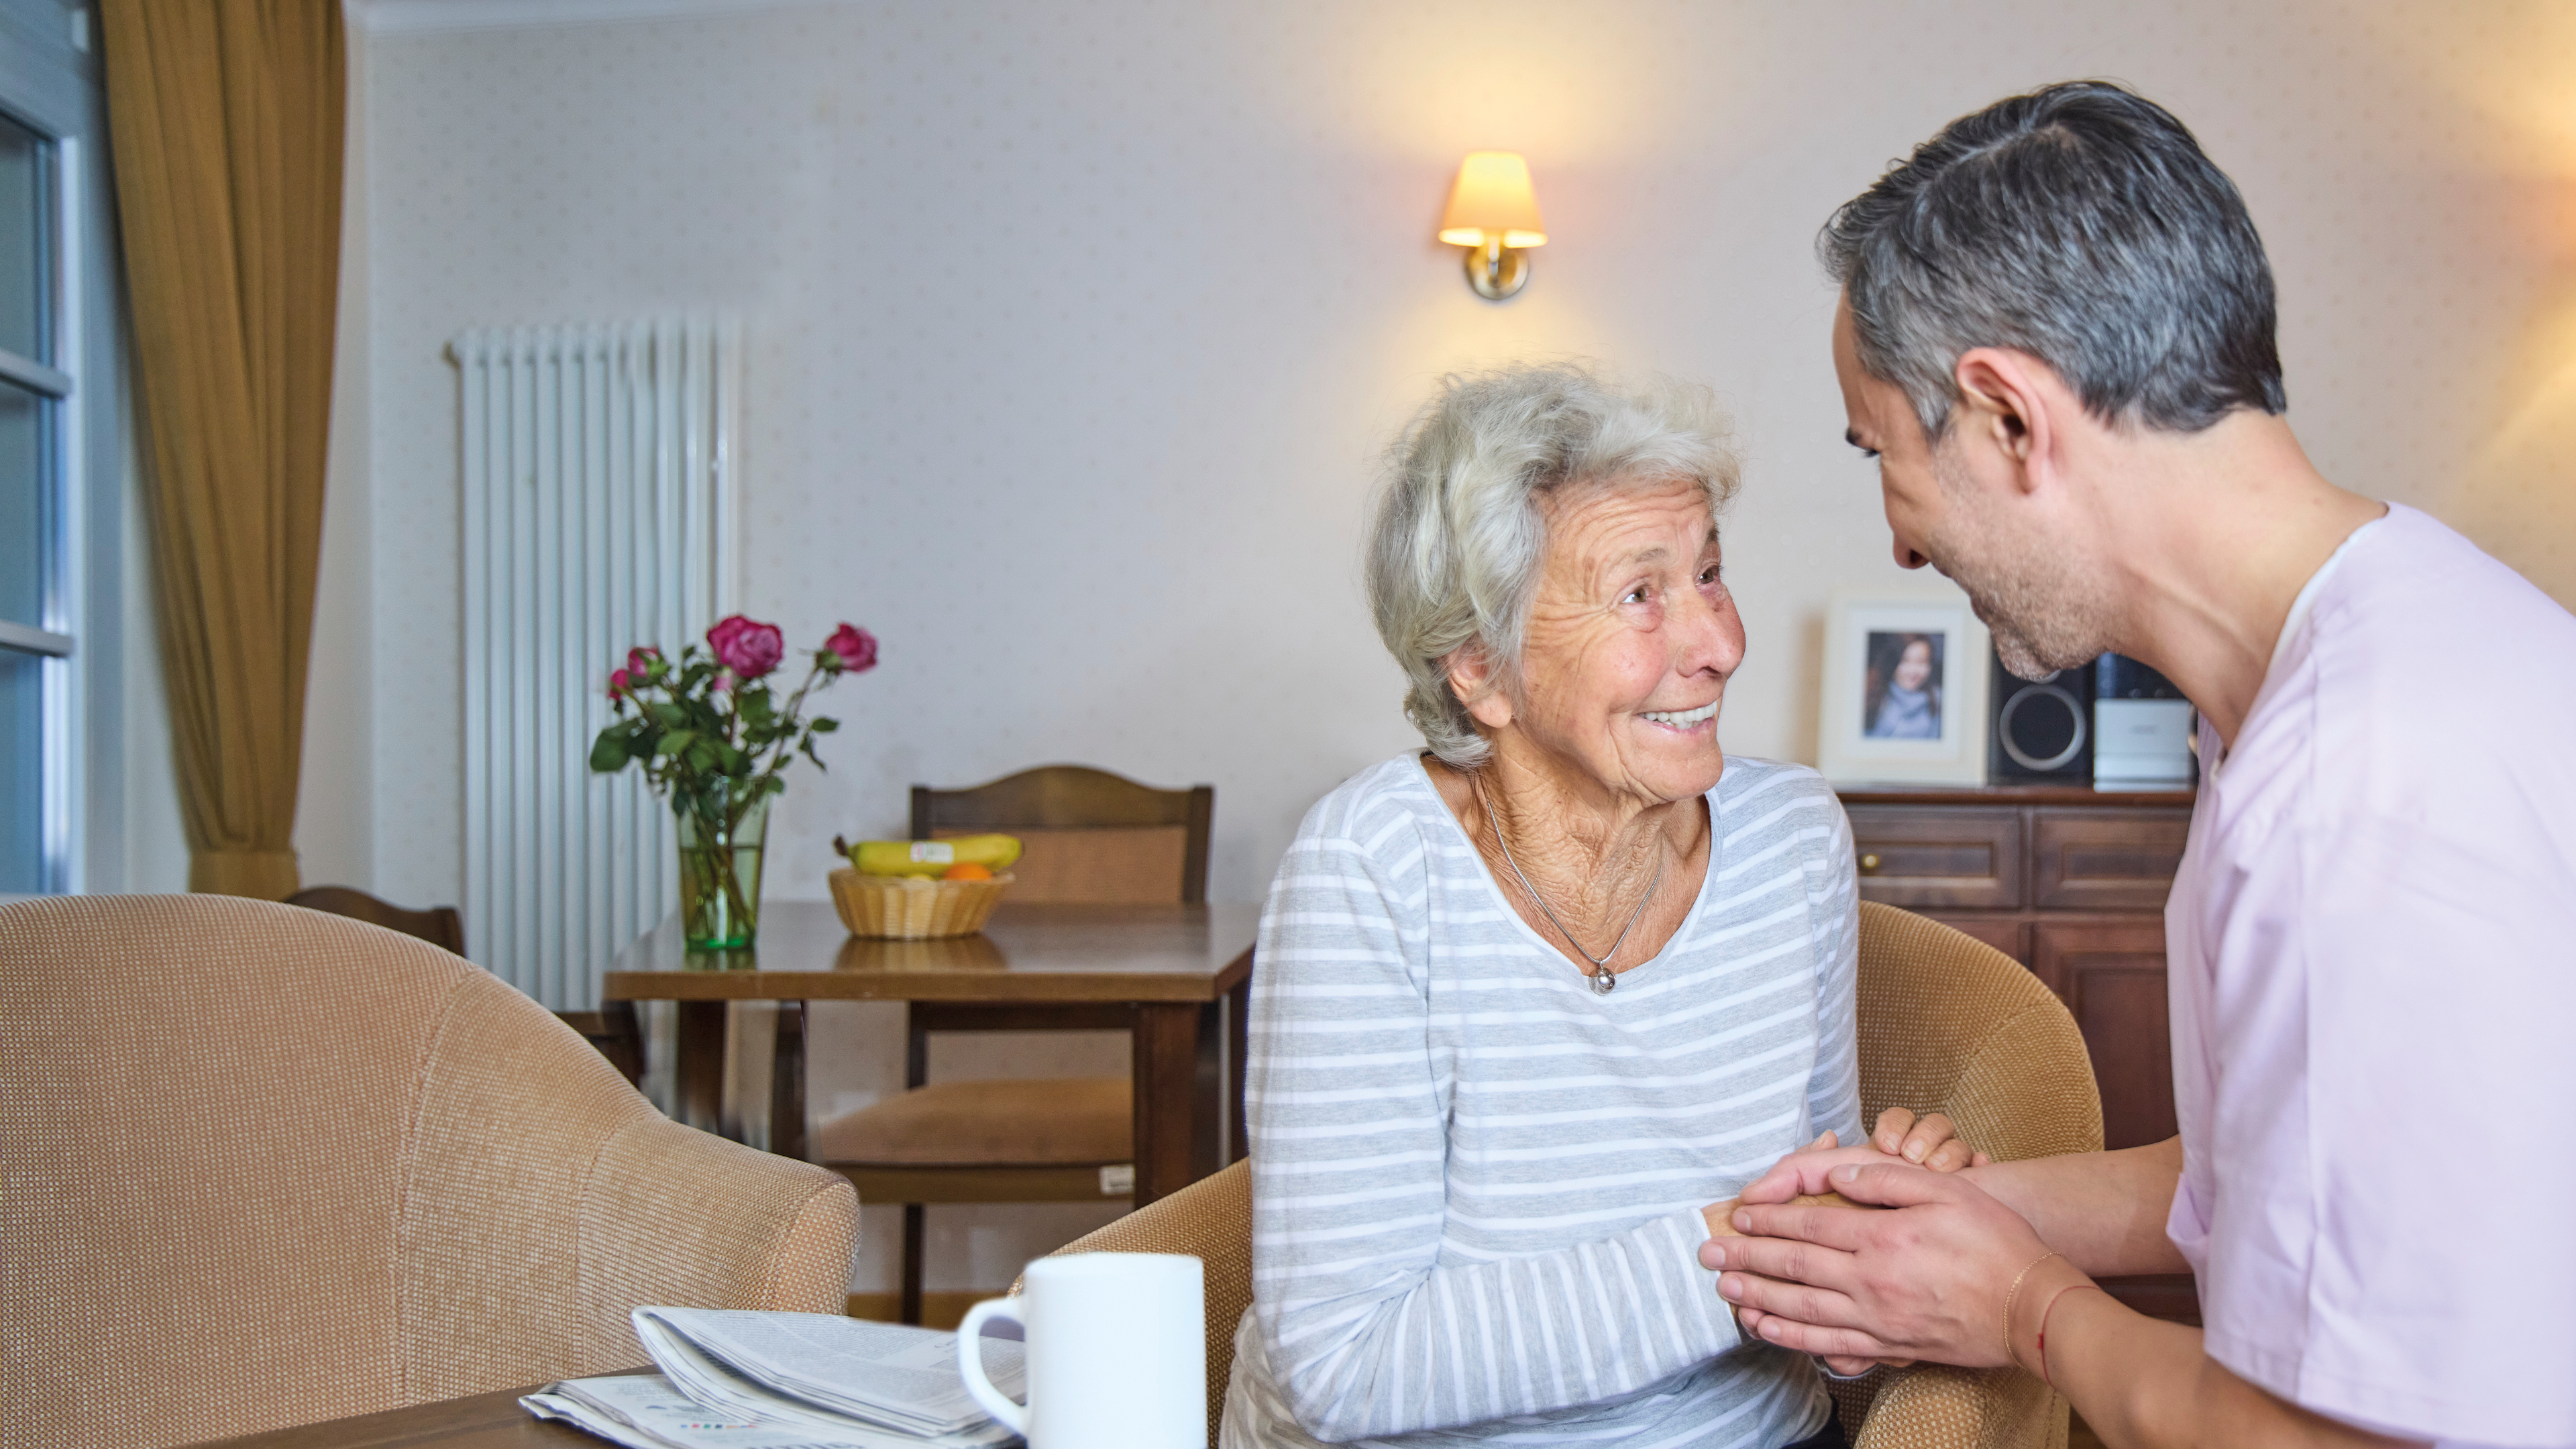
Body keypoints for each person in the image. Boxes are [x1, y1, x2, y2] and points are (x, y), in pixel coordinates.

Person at [1697, 81, 2576, 1448]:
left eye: (1884, 455)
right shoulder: (2391, 631)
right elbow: (2289, 1183)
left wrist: (2021, 1308)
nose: (1901, 548)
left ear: (2005, 418)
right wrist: (1957, 1216)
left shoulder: (2360, 795)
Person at [1222, 363, 1982, 1449]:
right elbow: (1347, 1367)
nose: (1719, 643)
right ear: (1481, 670)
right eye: (1641, 595)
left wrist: (1873, 1257)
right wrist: (1757, 1252)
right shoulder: (1373, 873)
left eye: (1710, 575)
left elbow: (1818, 1234)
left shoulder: (1791, 841)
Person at [1863, 635, 1940, 739]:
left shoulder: (1939, 701)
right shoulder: (1871, 697)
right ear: (1893, 661)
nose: (1913, 671)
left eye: (1921, 662)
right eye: (1905, 661)